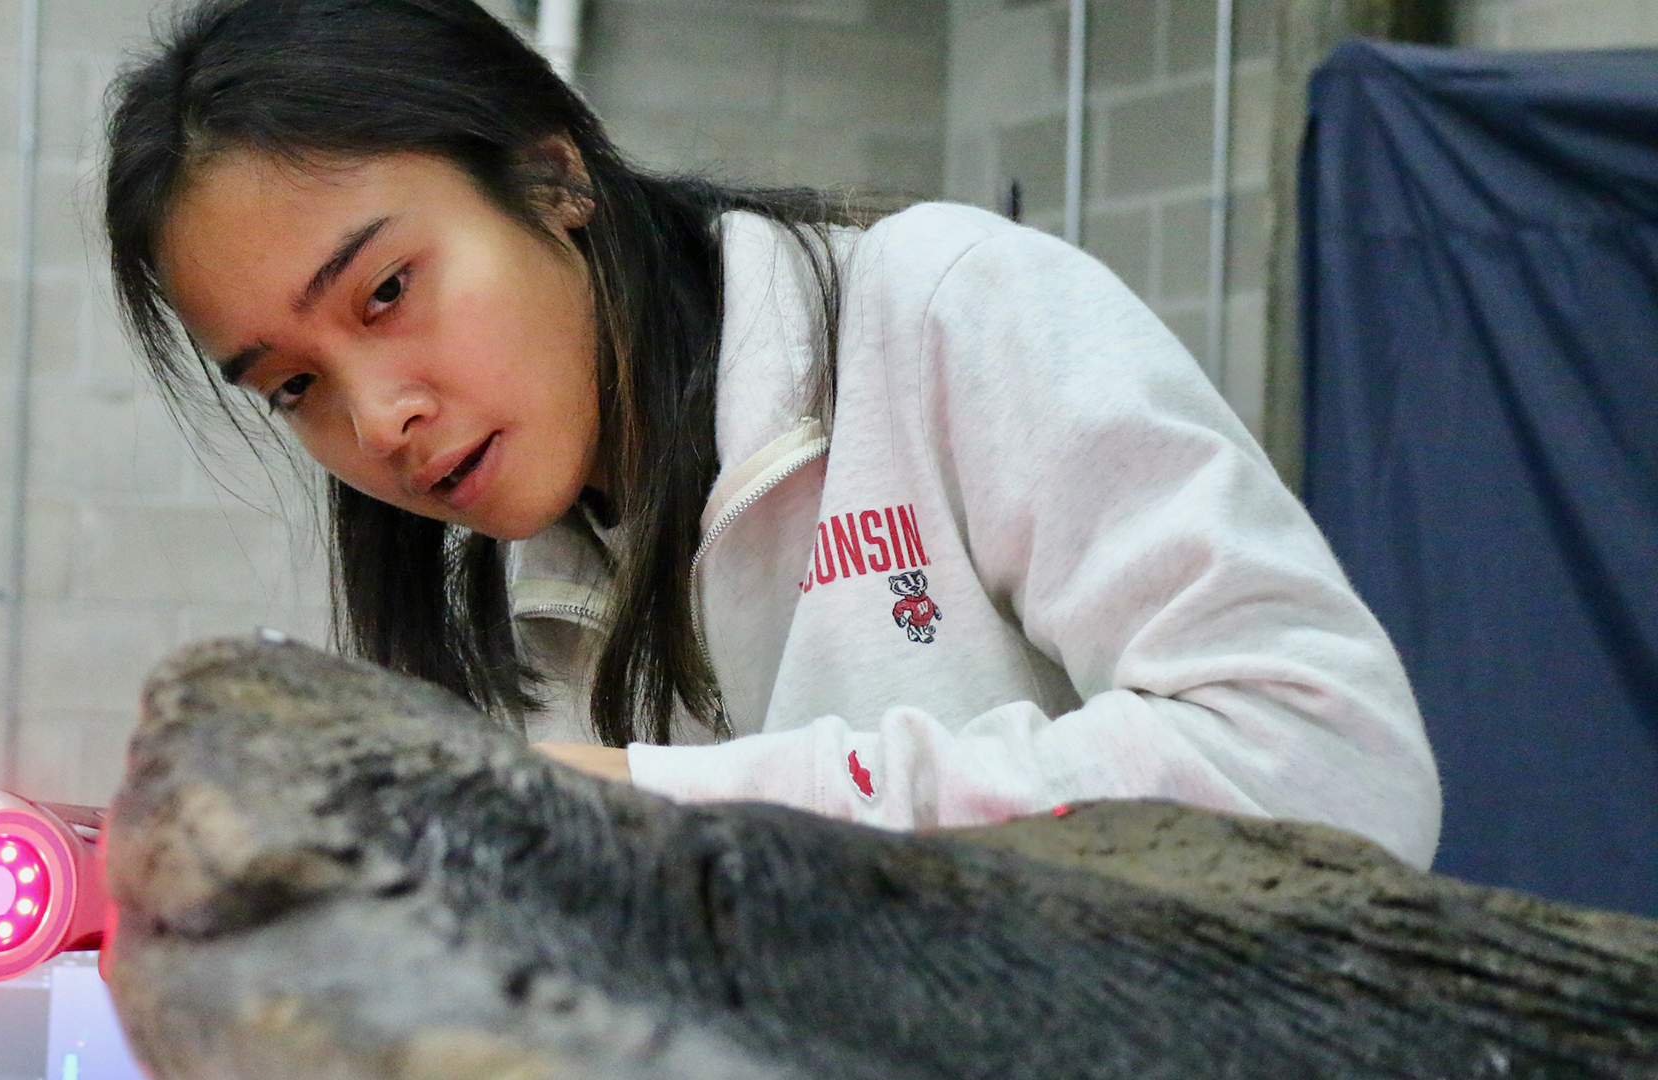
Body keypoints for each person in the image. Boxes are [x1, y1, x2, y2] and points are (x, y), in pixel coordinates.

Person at [103, 0, 1442, 867]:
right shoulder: (514, 604)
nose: (377, 417)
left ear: (552, 173)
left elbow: (1330, 773)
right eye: (292, 388)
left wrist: (659, 803)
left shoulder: (943, 314)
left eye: (388, 292)